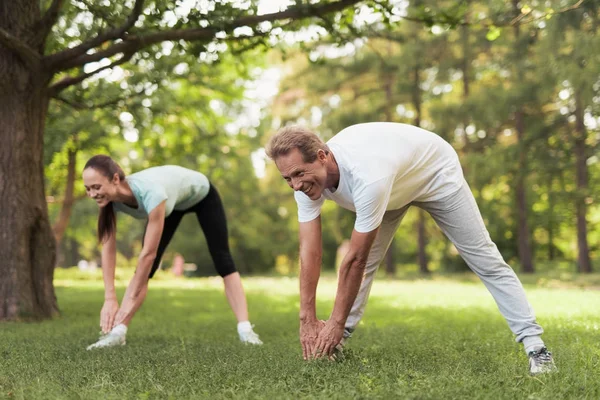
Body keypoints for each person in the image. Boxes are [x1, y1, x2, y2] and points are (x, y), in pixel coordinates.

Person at [266, 122, 556, 375]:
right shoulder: (304, 182)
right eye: (287, 178)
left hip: (433, 172)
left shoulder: (367, 177)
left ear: (322, 156)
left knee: (485, 258)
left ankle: (536, 348)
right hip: (393, 185)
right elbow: (310, 253)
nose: (294, 185)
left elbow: (354, 259)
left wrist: (333, 322)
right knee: (364, 265)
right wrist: (307, 318)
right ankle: (337, 343)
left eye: (298, 174)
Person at [82, 155, 262, 349]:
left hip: (201, 195)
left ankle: (245, 330)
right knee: (144, 271)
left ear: (115, 179)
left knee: (223, 260)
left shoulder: (151, 192)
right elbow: (108, 248)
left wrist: (127, 303)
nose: (92, 194)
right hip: (170, 204)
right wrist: (110, 298)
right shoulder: (109, 201)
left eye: (96, 187)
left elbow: (148, 255)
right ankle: (118, 333)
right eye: (88, 189)